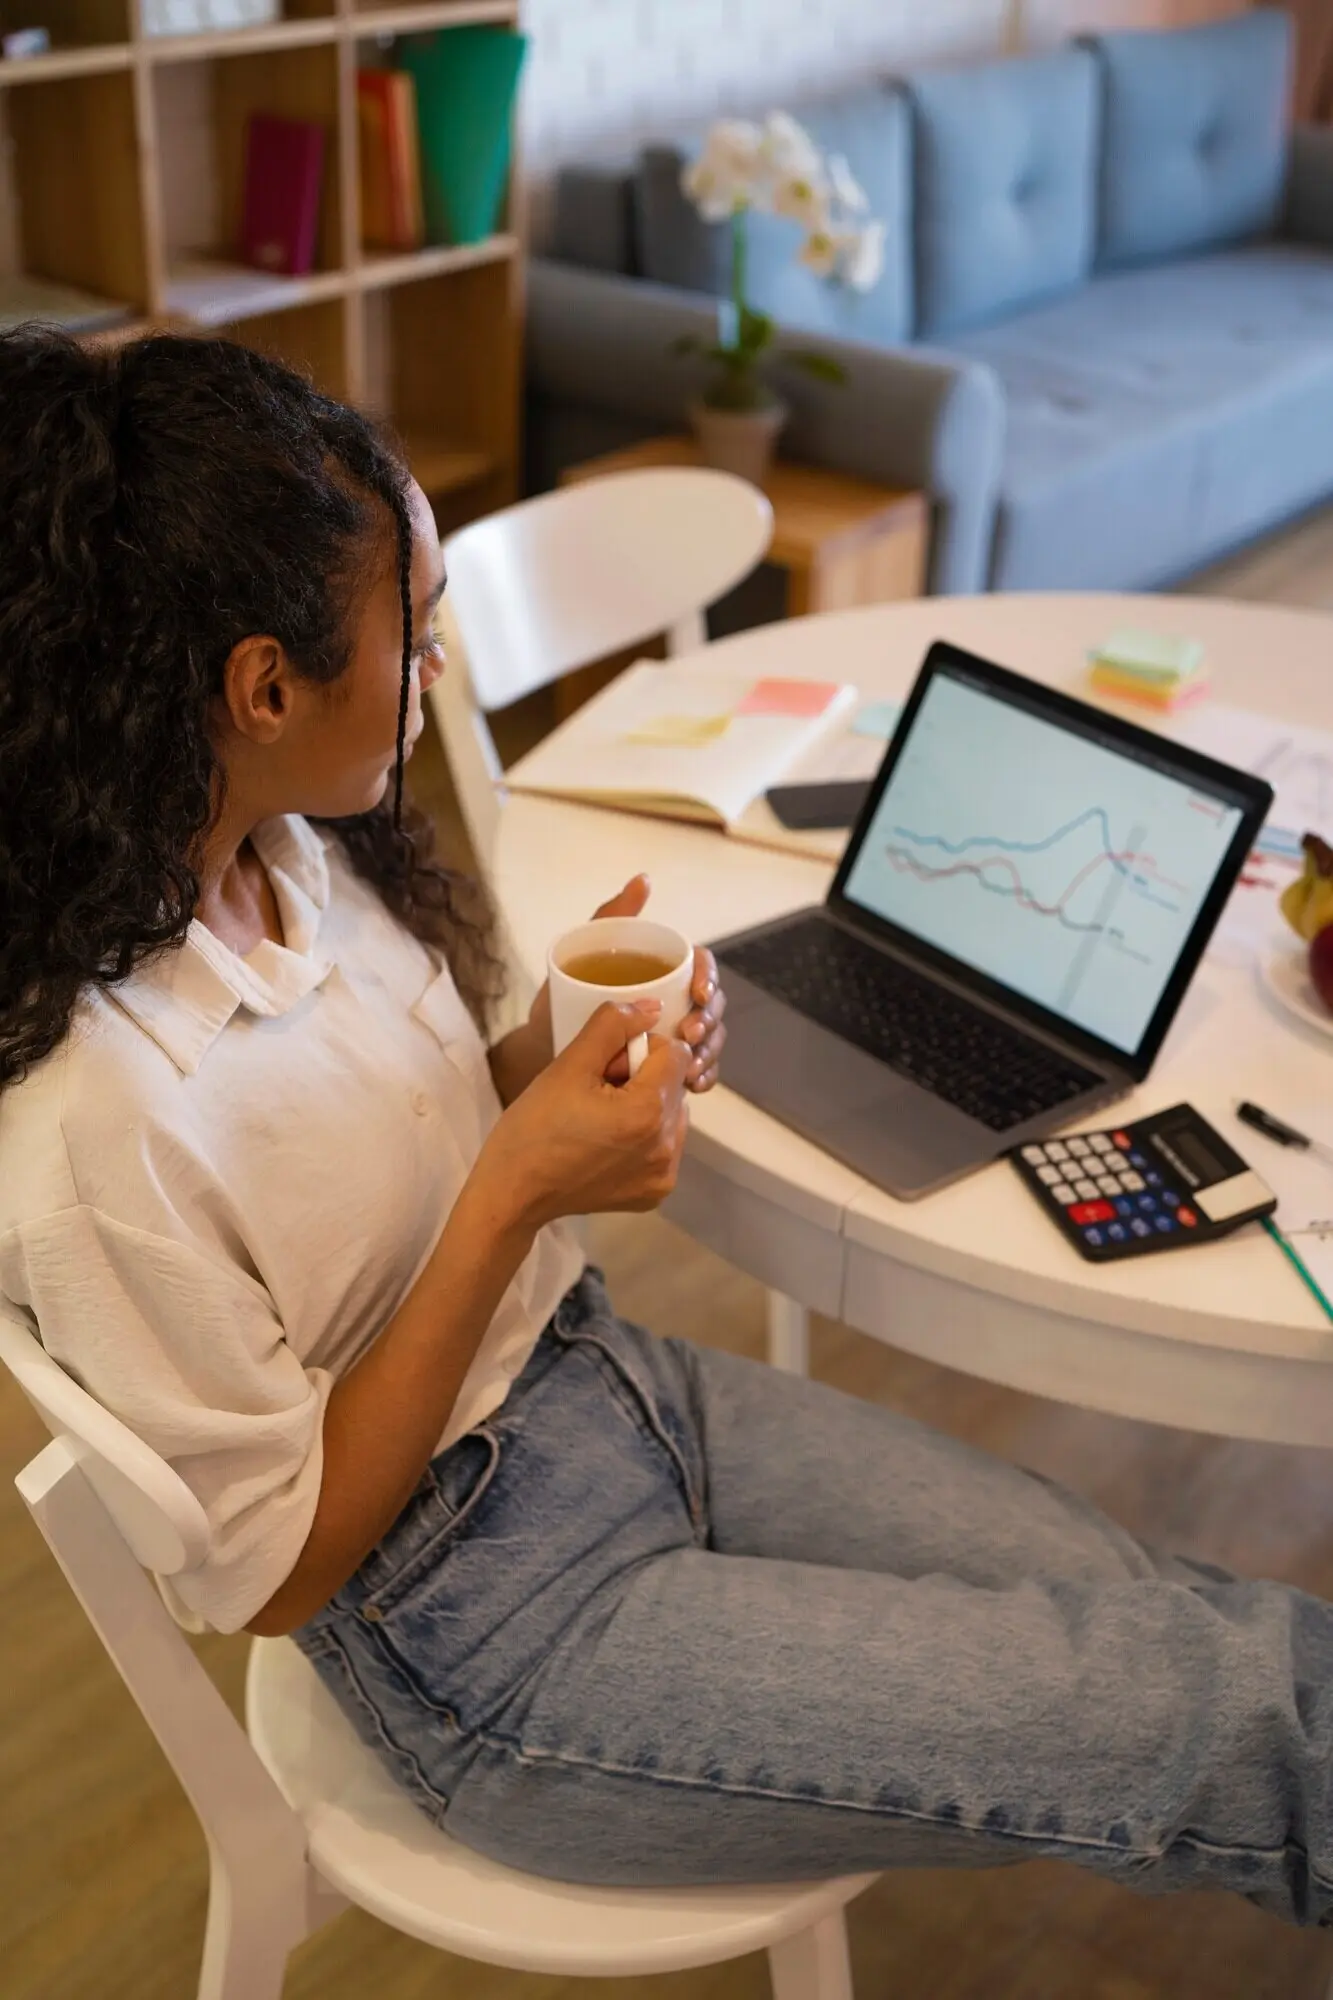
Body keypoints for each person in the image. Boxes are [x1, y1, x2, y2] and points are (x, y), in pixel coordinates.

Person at [3, 326, 1333, 1932]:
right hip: (487, 1629)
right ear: (263, 687)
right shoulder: (93, 1131)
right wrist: (515, 1192)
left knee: (1160, 1617)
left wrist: (550, 1064)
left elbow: (371, 1149)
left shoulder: (290, 850)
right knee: (1225, 1712)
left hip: (610, 1382)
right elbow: (280, 1576)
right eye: (414, 638)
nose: (441, 671)